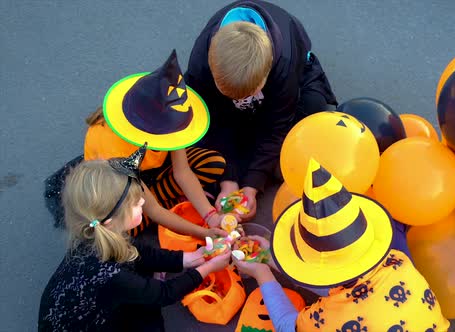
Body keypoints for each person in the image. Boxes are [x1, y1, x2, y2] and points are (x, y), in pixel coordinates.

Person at [234, 159, 450, 331]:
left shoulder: (325, 320)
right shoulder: (398, 261)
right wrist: (271, 258)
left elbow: (286, 325)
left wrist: (263, 274)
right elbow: (342, 284)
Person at [38, 146, 232, 331]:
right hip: (90, 325)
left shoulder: (98, 232)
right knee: (149, 315)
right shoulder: (109, 275)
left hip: (99, 302)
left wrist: (189, 258)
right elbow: (164, 294)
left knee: (140, 275)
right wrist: (206, 268)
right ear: (112, 219)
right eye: (135, 202)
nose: (142, 201)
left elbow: (140, 252)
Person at [184, 0, 338, 221]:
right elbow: (211, 119)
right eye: (231, 97)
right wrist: (228, 182)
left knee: (313, 111)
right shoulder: (201, 61)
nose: (241, 101)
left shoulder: (284, 62)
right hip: (239, 98)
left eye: (248, 95)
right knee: (194, 125)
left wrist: (251, 186)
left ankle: (249, 154)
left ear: (267, 74)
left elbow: (277, 126)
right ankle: (243, 155)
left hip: (297, 76)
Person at [83, 49, 234, 237]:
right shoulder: (112, 150)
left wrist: (211, 216)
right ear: (149, 130)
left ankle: (161, 200)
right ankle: (161, 203)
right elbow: (153, 209)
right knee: (122, 230)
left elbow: (183, 172)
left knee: (212, 164)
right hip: (121, 187)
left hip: (150, 174)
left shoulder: (167, 119)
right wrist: (203, 233)